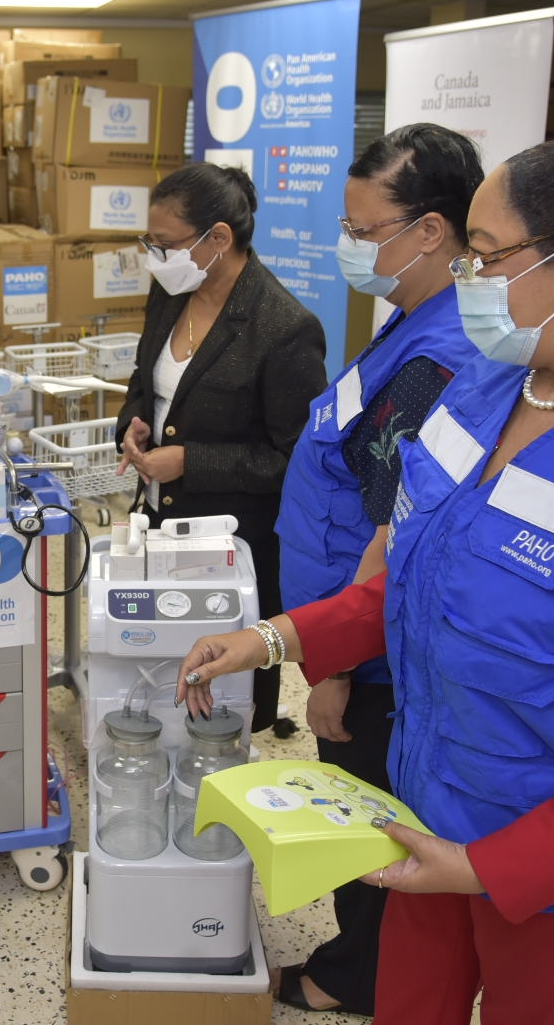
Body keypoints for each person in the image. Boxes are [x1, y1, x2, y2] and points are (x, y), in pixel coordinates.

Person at [174, 133, 554, 1025]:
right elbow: (420, 576)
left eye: (488, 255)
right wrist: (277, 638)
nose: (467, 274)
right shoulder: (484, 390)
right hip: (428, 804)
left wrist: (493, 868)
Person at [271, 123, 485, 1015]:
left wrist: (340, 670)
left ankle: (351, 979)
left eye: (363, 231)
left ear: (429, 230)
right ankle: (357, 960)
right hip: (339, 632)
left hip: (372, 658)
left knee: (372, 827)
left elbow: (393, 532)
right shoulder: (406, 322)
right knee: (354, 812)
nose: (350, 247)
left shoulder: (450, 355)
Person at [115, 162, 326, 736]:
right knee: (158, 673)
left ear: (219, 238)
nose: (155, 258)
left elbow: (295, 462)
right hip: (158, 522)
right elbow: (146, 384)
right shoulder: (170, 296)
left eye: (165, 245)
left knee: (222, 708)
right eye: (149, 244)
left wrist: (190, 461)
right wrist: (132, 424)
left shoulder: (282, 328)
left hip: (233, 546)